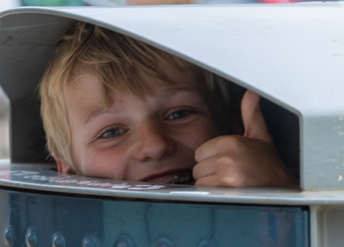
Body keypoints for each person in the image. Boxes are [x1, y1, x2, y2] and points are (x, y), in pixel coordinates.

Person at [39, 22, 295, 188]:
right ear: (68, 173)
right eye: (112, 132)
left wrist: (275, 189)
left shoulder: (270, 183)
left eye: (179, 114)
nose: (156, 146)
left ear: (230, 123)